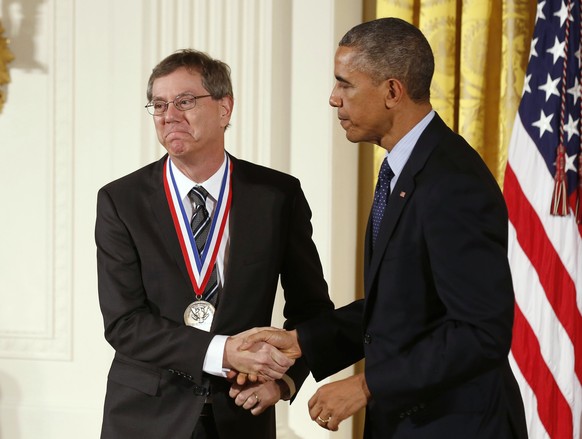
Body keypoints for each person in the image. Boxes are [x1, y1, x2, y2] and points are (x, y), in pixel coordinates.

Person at [241, 18, 528, 438]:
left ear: (392, 91)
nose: (333, 99)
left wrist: (366, 385)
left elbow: (479, 333)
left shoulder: (452, 182)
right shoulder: (405, 170)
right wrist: (305, 339)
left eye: (345, 84)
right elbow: (404, 307)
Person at [95, 49, 333, 439]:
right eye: (158, 104)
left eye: (185, 101)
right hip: (146, 415)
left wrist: (284, 382)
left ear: (225, 108)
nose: (169, 114)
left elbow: (312, 309)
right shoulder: (120, 200)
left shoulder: (276, 195)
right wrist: (221, 352)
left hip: (240, 414)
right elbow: (124, 323)